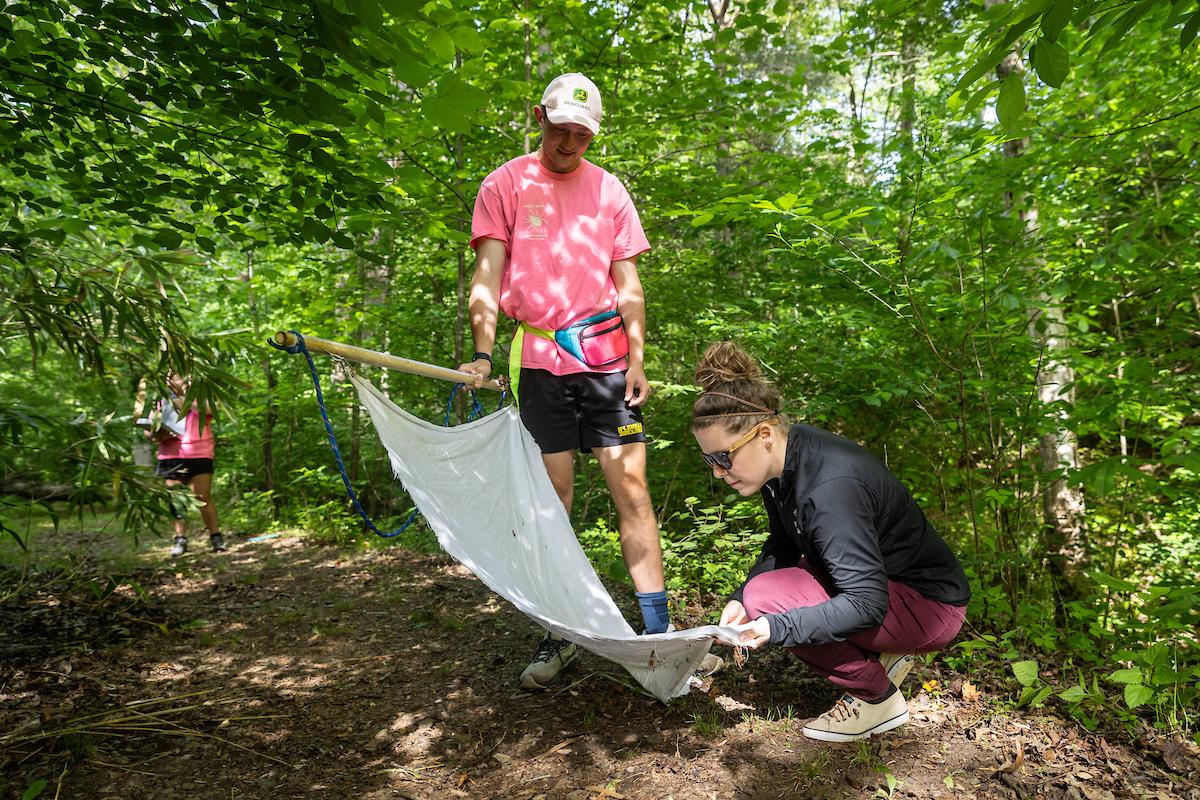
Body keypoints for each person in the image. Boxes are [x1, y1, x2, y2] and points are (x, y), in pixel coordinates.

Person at [457, 72, 682, 690]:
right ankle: (562, 632)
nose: (571, 141)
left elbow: (628, 285)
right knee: (552, 505)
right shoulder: (504, 184)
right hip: (539, 365)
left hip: (608, 361)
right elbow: (487, 275)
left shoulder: (610, 190)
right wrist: (482, 352)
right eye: (561, 129)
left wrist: (637, 358)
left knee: (631, 488)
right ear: (540, 117)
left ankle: (657, 636)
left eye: (583, 133)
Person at [690, 342, 971, 742]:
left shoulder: (829, 487)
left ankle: (876, 699)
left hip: (929, 609)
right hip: (894, 589)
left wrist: (777, 626)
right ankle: (879, 656)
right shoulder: (787, 459)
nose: (718, 473)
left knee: (769, 599)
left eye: (723, 458)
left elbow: (867, 605)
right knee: (759, 592)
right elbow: (784, 544)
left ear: (764, 435)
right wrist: (739, 595)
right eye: (709, 461)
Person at [140, 375, 226, 556]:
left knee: (202, 497)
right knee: (176, 500)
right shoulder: (161, 401)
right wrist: (156, 434)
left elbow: (212, 411)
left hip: (199, 452)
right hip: (170, 455)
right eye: (168, 378)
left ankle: (216, 537)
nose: (171, 382)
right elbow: (148, 431)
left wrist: (186, 403)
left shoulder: (200, 396)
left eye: (176, 378)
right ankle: (180, 540)